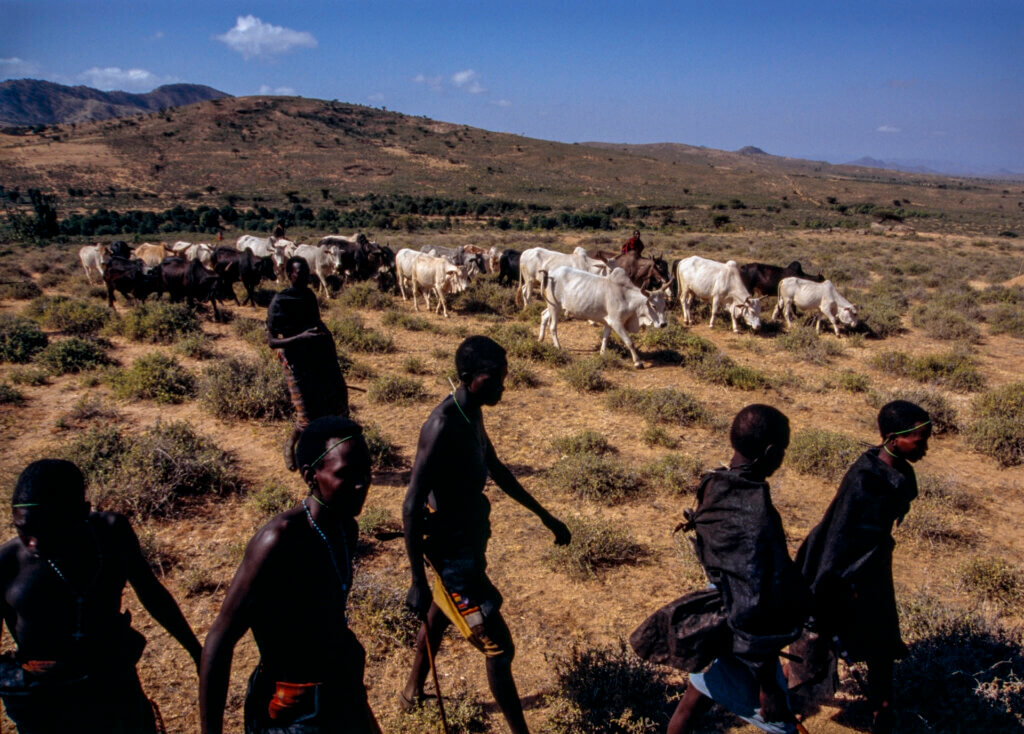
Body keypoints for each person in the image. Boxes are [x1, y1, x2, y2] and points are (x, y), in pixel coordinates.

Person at [401, 336, 571, 734]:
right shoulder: (441, 425)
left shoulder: (471, 412)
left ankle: (411, 691)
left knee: (440, 616)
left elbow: (496, 468)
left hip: (467, 546)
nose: (502, 387)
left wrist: (545, 516)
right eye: (493, 379)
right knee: (499, 646)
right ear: (466, 377)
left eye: (503, 378)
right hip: (451, 556)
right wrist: (416, 580)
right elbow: (410, 504)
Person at [200, 415, 382, 734]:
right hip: (293, 708)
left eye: (366, 471)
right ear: (311, 476)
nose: (361, 483)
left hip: (340, 690)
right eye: (347, 474)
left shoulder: (345, 528)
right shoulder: (279, 541)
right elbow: (220, 638)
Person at [0, 459, 202, 734]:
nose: (33, 542)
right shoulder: (8, 564)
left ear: (82, 513)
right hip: (46, 704)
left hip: (114, 687)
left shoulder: (111, 535)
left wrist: (196, 651)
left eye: (46, 528)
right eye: (23, 529)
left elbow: (152, 594)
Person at [791, 401, 931, 734]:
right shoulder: (865, 480)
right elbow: (839, 536)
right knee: (817, 640)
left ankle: (883, 711)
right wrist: (837, 583)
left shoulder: (898, 472)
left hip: (872, 569)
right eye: (919, 439)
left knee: (881, 641)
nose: (925, 446)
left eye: (927, 438)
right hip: (838, 572)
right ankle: (788, 710)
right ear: (894, 439)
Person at [667, 405, 807, 734]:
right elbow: (751, 606)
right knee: (781, 723)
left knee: (692, 703)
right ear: (772, 452)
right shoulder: (757, 514)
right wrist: (767, 685)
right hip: (744, 636)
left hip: (714, 621)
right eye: (783, 449)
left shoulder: (714, 484)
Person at [267, 257, 349, 471]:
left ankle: (323, 453)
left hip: (315, 357)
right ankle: (294, 449)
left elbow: (316, 321)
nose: (303, 278)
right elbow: (272, 341)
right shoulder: (279, 301)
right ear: (289, 275)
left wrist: (326, 337)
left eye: (305, 274)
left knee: (327, 406)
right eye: (298, 274)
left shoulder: (309, 296)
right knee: (305, 414)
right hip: (293, 361)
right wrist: (300, 338)